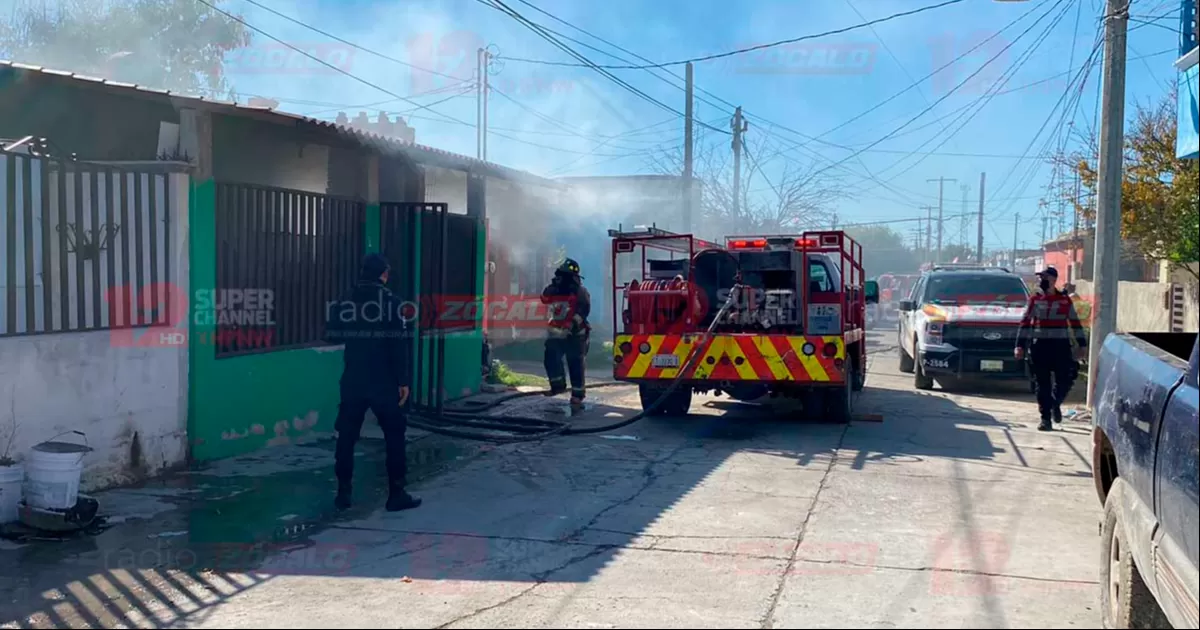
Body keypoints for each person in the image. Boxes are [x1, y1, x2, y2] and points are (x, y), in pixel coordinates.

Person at [324, 253, 421, 512]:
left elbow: (331, 332)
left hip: (354, 377)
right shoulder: (391, 303)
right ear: (383, 274)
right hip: (384, 380)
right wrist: (403, 380)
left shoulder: (346, 299)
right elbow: (398, 345)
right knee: (394, 435)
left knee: (346, 436)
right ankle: (396, 494)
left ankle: (343, 494)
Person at [1014, 267, 1088, 431]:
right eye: (1041, 277)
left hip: (1060, 347)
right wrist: (1019, 345)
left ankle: (1055, 403)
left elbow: (1074, 323)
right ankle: (1045, 419)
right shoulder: (1035, 299)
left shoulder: (1064, 300)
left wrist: (1082, 344)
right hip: (1040, 346)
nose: (1041, 280)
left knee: (1066, 379)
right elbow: (1025, 323)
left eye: (1045, 277)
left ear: (1054, 279)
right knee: (1042, 384)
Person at [541, 258, 591, 406]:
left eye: (563, 276)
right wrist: (552, 285)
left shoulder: (580, 291)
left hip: (576, 334)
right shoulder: (555, 289)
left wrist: (571, 324)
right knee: (551, 358)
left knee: (575, 362)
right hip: (557, 331)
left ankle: (577, 395)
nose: (561, 279)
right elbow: (544, 298)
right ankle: (557, 386)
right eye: (559, 275)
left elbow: (583, 311)